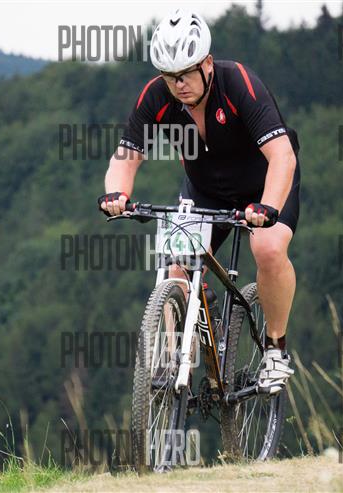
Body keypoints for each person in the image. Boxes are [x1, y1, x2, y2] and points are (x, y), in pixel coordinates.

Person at [98, 9, 297, 394]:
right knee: (176, 267)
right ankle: (180, 360)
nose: (179, 84)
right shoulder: (157, 96)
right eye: (170, 76)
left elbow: (282, 156)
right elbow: (126, 155)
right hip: (206, 189)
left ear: (207, 63)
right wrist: (117, 194)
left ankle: (275, 349)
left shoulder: (238, 84)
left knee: (268, 248)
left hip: (264, 186)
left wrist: (268, 206)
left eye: (186, 74)